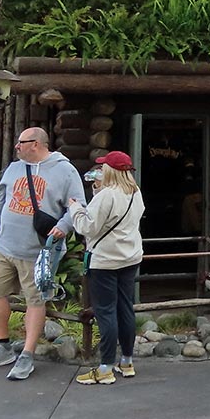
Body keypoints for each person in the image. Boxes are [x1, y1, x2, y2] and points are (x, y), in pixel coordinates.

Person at [0, 127, 84, 380]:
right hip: (4, 247)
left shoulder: (65, 171)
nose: (17, 147)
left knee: (35, 300)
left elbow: (78, 205)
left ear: (35, 144)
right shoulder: (14, 169)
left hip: (39, 252)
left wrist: (63, 227)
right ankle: (2, 346)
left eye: (21, 143)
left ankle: (27, 354)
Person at [68, 150, 145, 385]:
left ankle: (105, 367)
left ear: (110, 170)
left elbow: (87, 227)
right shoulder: (135, 193)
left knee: (106, 311)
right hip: (130, 258)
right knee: (125, 308)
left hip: (104, 261)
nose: (99, 171)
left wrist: (75, 208)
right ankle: (127, 361)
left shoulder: (106, 196)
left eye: (103, 168)